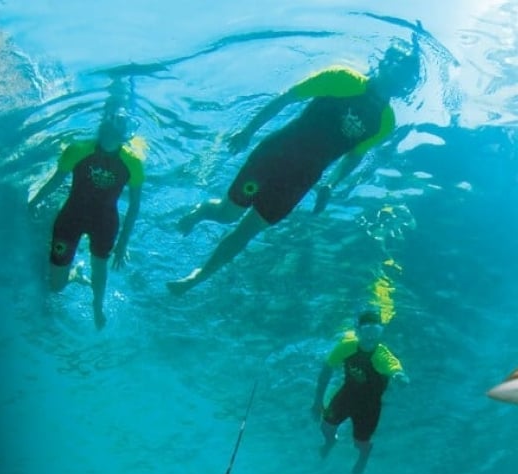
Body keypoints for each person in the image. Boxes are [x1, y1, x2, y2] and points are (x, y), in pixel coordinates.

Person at [167, 38, 420, 295]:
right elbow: (285, 98)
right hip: (274, 156)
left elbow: (354, 156)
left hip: (301, 180)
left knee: (247, 232)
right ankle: (201, 212)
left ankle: (197, 277)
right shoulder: (343, 78)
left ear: (406, 85)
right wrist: (247, 131)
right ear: (385, 63)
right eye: (397, 68)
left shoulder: (386, 122)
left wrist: (331, 184)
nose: (397, 77)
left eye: (405, 76)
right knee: (228, 215)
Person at [29, 106, 144, 329]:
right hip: (70, 219)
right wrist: (34, 202)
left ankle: (97, 306)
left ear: (122, 137)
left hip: (105, 223)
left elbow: (134, 207)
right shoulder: (77, 150)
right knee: (55, 286)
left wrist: (123, 243)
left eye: (116, 133)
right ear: (102, 129)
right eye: (109, 130)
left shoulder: (133, 163)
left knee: (99, 269)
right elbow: (56, 180)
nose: (111, 137)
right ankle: (72, 275)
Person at [311, 308, 408, 474]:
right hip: (347, 395)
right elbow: (326, 370)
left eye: (375, 331)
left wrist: (400, 376)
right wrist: (317, 401)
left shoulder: (382, 355)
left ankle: (364, 456)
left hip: (369, 405)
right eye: (367, 330)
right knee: (326, 427)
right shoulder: (346, 347)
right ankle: (330, 442)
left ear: (380, 332)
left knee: (360, 442)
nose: (370, 337)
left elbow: (394, 368)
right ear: (358, 331)